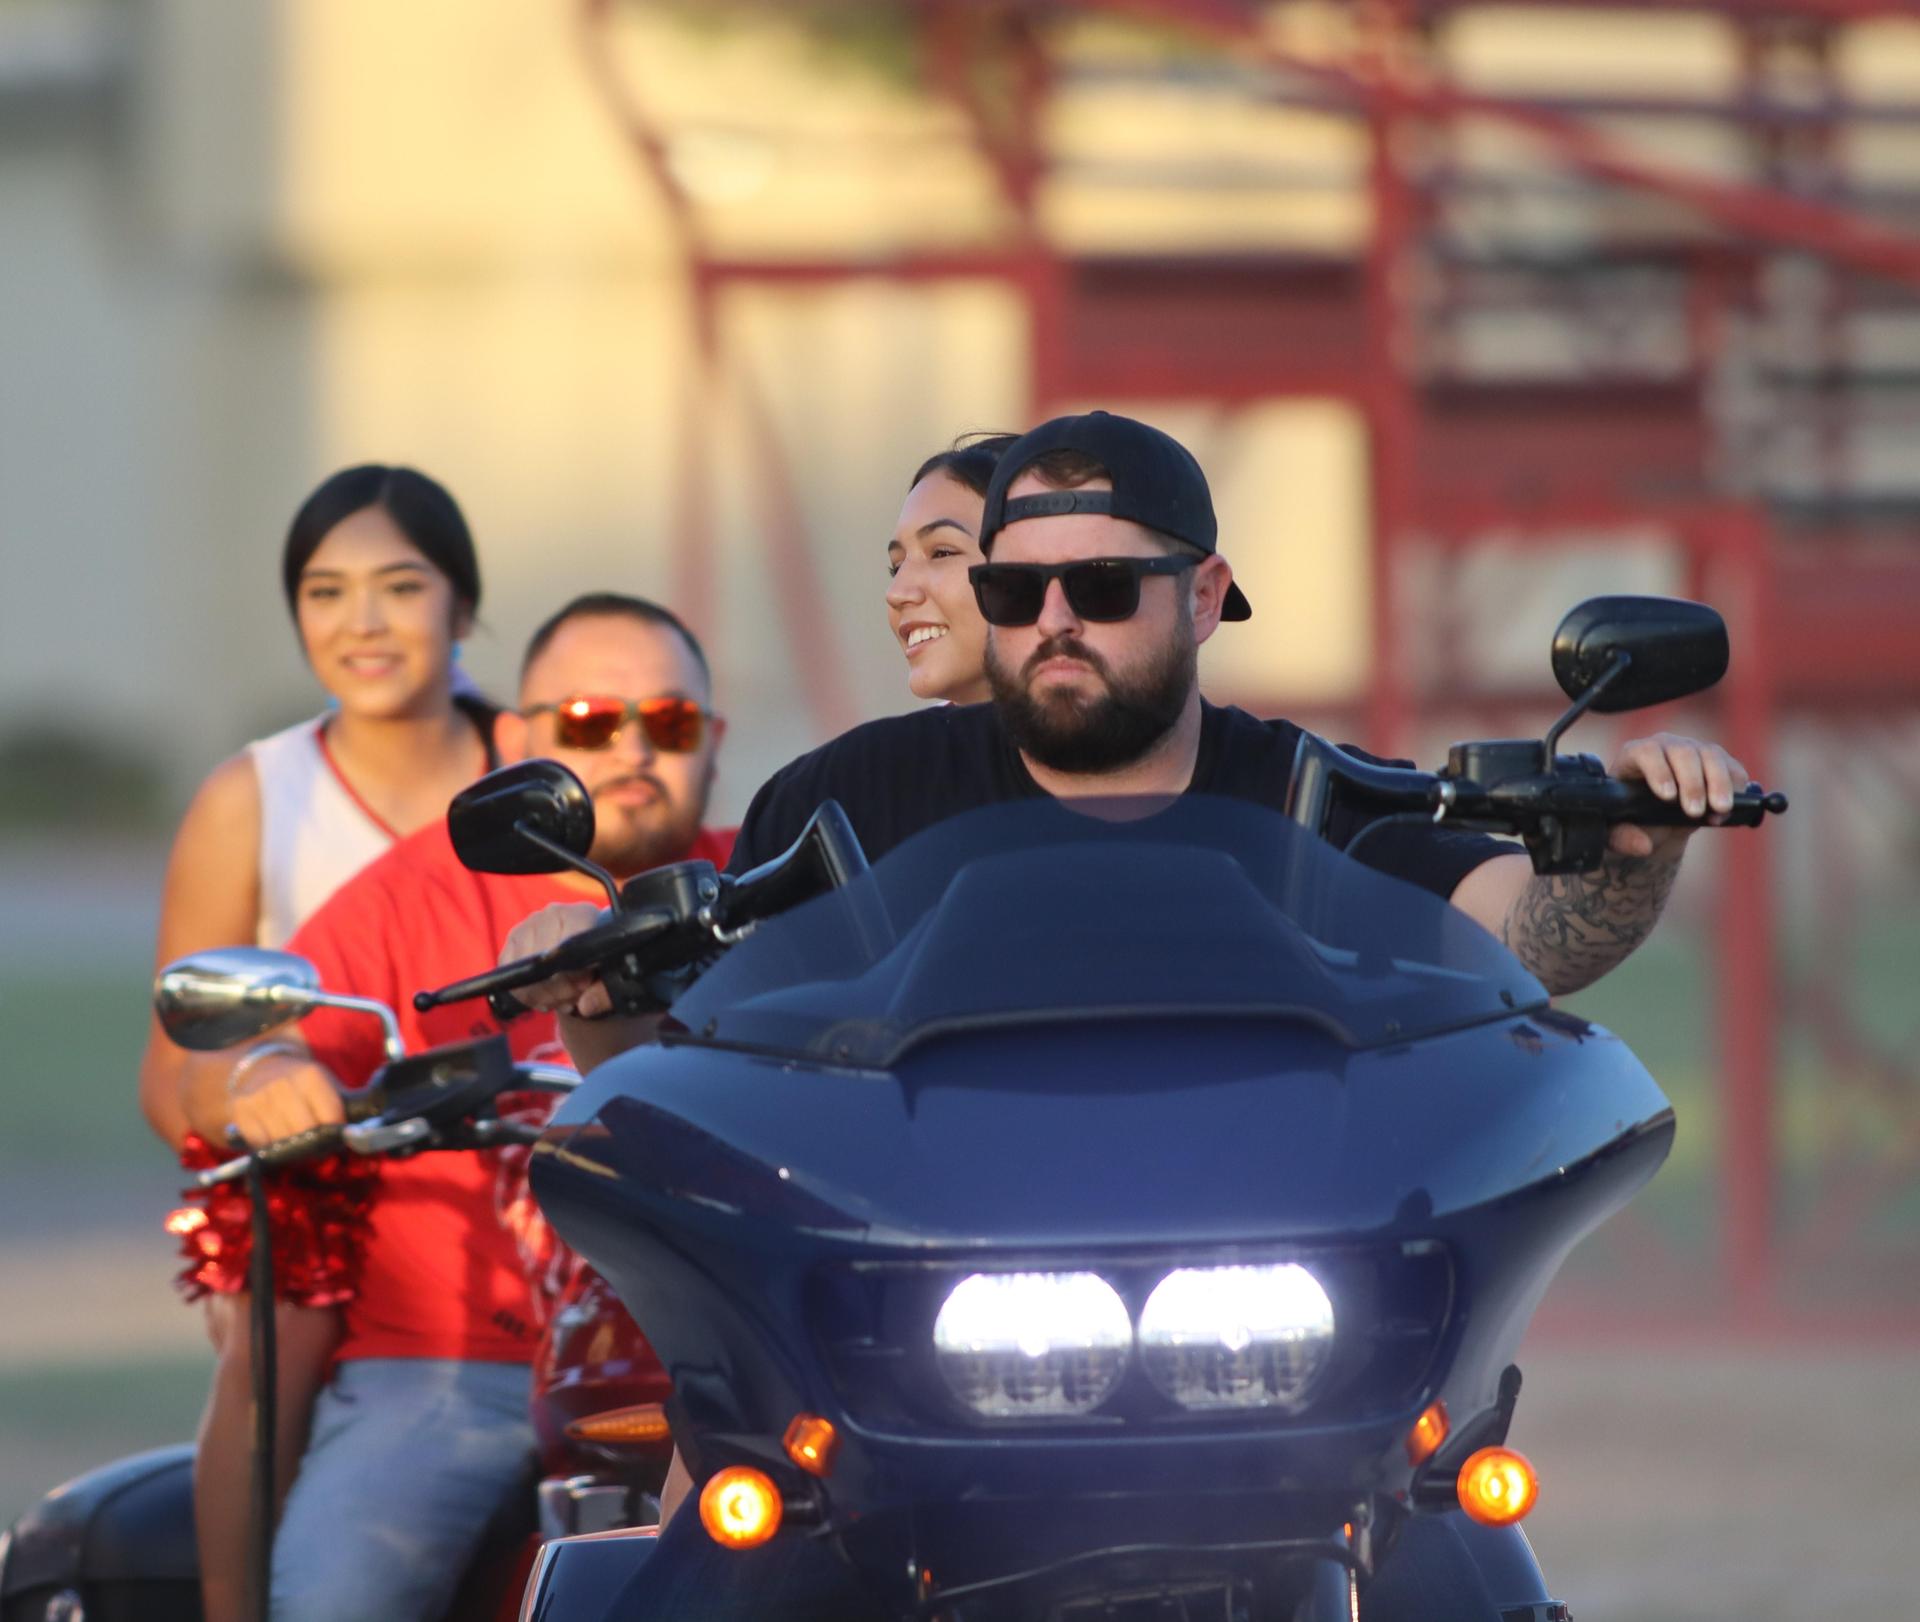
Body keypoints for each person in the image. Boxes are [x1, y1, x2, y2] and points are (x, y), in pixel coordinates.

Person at [506, 411, 1751, 1620]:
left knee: (1459, 1549)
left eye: (1102, 588)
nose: (1054, 621)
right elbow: (704, 1053)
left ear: (1203, 595)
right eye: (1015, 590)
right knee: (707, 1537)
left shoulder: (1313, 795)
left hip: (1276, 1346)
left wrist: (1630, 852)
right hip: (902, 1336)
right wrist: (596, 974)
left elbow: (1521, 943)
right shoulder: (846, 804)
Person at [172, 592, 733, 1622]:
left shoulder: (752, 878)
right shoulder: (417, 892)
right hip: (450, 1358)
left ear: (715, 741)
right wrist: (263, 1078)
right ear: (518, 741)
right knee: (343, 1591)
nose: (637, 747)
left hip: (717, 1340)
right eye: (591, 722)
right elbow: (222, 1061)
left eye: (674, 722)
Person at [140, 464, 496, 1622]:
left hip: (513, 1152)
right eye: (326, 590)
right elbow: (169, 1066)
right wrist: (259, 1080)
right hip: (325, 1175)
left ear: (463, 604)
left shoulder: (534, 761)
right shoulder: (256, 794)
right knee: (274, 1343)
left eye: (400, 585)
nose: (364, 622)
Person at [885, 433, 1017, 705]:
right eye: (897, 567)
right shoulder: (903, 747)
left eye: (941, 553)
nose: (896, 593)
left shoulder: (1117, 745)